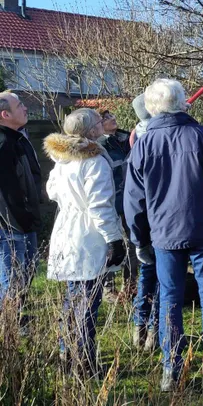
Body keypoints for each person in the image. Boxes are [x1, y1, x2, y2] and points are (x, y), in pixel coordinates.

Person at [124, 78, 203, 394]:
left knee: (170, 300)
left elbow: (134, 201)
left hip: (164, 234)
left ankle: (171, 370)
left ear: (151, 107)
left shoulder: (144, 146)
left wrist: (140, 240)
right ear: (183, 102)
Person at [44, 108, 126, 375]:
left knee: (72, 298)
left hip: (67, 229)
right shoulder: (93, 160)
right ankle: (83, 362)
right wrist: (114, 239)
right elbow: (100, 205)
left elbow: (52, 192)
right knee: (88, 300)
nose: (103, 124)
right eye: (99, 122)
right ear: (91, 131)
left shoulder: (62, 159)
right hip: (88, 234)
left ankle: (66, 355)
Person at [0, 92, 41, 305]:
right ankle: (8, 331)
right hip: (11, 225)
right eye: (20, 105)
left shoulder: (17, 139)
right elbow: (6, 192)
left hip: (24, 220)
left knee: (25, 274)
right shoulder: (3, 143)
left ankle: (14, 321)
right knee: (12, 281)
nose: (25, 108)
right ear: (5, 114)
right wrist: (15, 224)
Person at [127, 94, 159, 351]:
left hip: (143, 219)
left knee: (147, 274)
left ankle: (140, 327)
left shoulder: (138, 134)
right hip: (159, 217)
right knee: (162, 279)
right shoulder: (154, 136)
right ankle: (154, 331)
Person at [98, 109, 138, 299]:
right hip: (111, 202)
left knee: (133, 242)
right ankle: (108, 287)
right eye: (106, 118)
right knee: (111, 245)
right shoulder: (98, 146)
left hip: (131, 201)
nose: (112, 119)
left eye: (112, 115)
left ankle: (130, 285)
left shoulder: (126, 139)